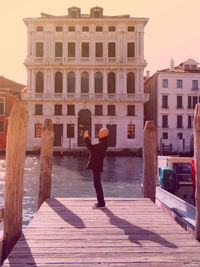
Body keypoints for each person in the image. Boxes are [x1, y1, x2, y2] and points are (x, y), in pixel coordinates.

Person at [84, 128, 109, 209]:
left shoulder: (103, 143)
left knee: (97, 184)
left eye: (100, 133)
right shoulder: (103, 142)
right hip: (97, 165)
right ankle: (100, 202)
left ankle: (101, 203)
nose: (98, 134)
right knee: (97, 184)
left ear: (104, 134)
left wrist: (86, 138)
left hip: (97, 166)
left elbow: (91, 147)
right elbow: (93, 149)